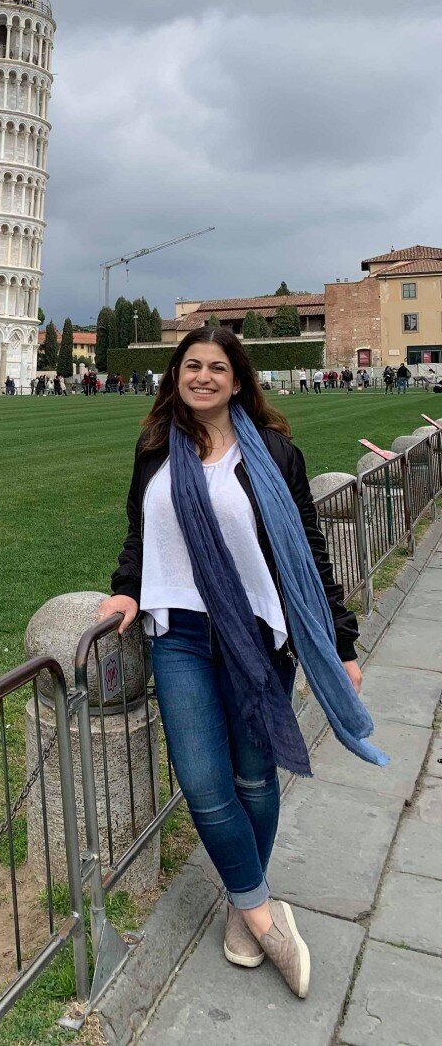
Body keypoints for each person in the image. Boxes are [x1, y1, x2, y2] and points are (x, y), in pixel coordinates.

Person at [98, 326, 385, 1000]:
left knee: (253, 777)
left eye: (217, 367)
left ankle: (238, 901)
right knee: (203, 780)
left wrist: (341, 644)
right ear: (176, 375)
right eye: (192, 365)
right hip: (179, 634)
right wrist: (125, 586)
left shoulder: (274, 453)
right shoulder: (155, 447)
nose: (203, 376)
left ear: (237, 380)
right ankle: (262, 912)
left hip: (257, 633)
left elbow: (308, 551)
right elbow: (142, 531)